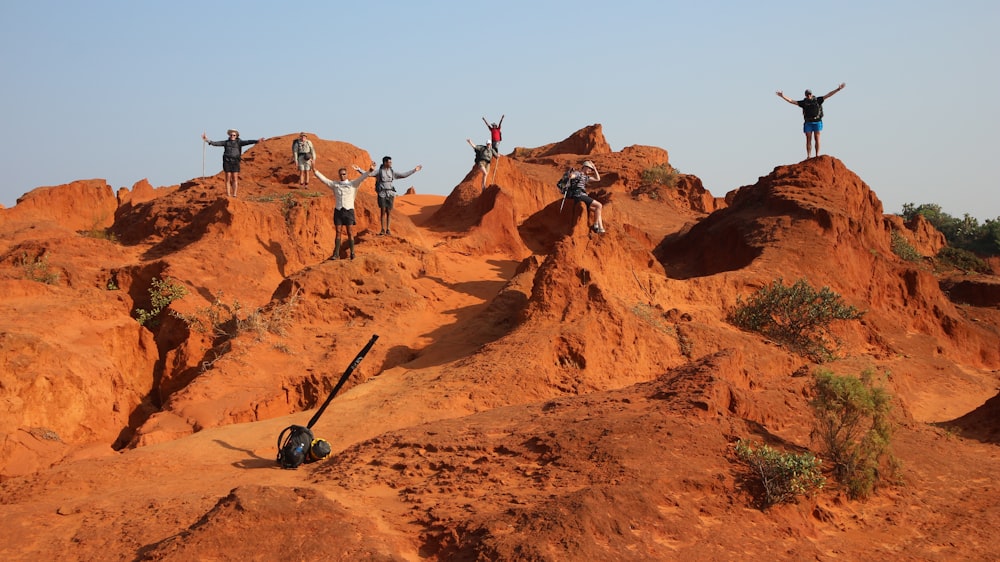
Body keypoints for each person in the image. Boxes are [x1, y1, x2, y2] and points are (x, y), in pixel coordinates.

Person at [314, 161, 377, 260]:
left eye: (344, 174)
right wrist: (315, 170)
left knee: (350, 231)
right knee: (338, 231)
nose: (342, 176)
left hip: (349, 211)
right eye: (341, 174)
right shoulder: (335, 185)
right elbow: (324, 180)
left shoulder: (352, 184)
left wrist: (370, 171)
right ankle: (336, 253)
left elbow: (362, 178)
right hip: (338, 210)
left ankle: (352, 253)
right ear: (339, 175)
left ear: (347, 175)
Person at [776, 83, 846, 158]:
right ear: (805, 95)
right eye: (807, 94)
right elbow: (792, 101)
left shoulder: (818, 100)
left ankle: (817, 155)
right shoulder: (803, 103)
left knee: (817, 138)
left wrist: (838, 89)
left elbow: (828, 95)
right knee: (808, 139)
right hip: (808, 123)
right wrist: (782, 96)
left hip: (817, 122)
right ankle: (809, 156)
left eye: (809, 94)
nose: (808, 95)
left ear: (812, 94)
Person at [203, 129, 265, 197]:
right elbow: (216, 143)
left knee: (235, 178)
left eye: (234, 135)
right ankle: (228, 194)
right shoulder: (226, 142)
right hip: (227, 161)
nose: (232, 136)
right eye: (231, 135)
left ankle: (234, 194)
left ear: (236, 136)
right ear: (229, 135)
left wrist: (256, 141)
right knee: (228, 178)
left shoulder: (239, 142)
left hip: (235, 161)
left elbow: (248, 141)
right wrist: (207, 140)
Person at [373, 156, 421, 236]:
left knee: (389, 212)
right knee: (383, 211)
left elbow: (403, 175)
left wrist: (414, 170)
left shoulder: (392, 172)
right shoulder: (379, 172)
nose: (391, 163)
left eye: (391, 162)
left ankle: (388, 229)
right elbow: (369, 174)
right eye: (389, 162)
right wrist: (359, 170)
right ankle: (382, 229)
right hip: (382, 193)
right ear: (385, 163)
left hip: (390, 193)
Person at [565, 160, 605, 234]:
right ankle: (595, 225)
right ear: (584, 167)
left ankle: (601, 228)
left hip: (582, 196)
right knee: (599, 205)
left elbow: (598, 179)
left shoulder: (586, 177)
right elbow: (573, 175)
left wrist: (594, 168)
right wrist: (571, 176)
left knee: (597, 210)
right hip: (579, 195)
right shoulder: (578, 173)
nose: (590, 170)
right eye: (589, 168)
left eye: (591, 169)